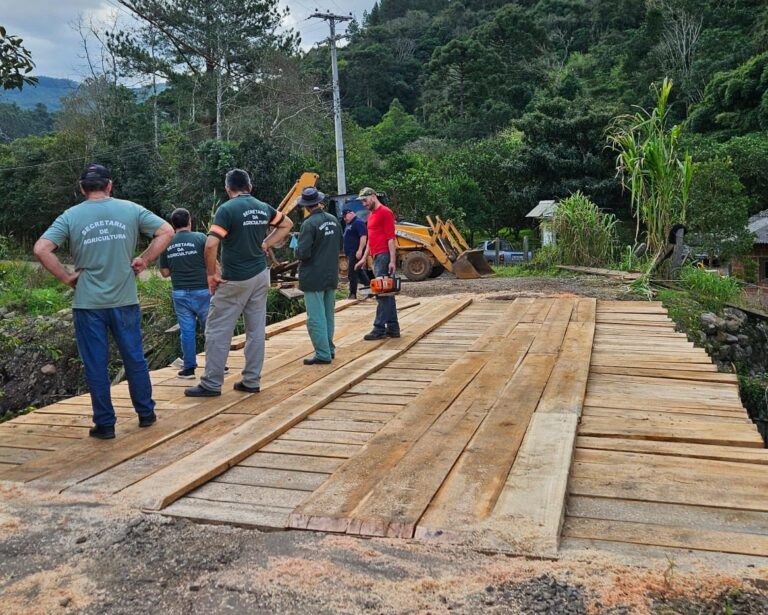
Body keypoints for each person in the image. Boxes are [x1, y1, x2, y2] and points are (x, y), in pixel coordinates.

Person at [33, 163, 173, 439]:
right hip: (125, 300)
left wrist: (66, 277)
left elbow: (41, 249)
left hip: (88, 304)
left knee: (96, 364)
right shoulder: (131, 209)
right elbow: (166, 231)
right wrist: (144, 259)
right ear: (109, 185)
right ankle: (146, 414)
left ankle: (105, 424)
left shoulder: (71, 216)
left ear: (82, 188)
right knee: (134, 358)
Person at [184, 168, 293, 397]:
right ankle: (251, 380)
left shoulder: (227, 210)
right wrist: (265, 243)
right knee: (255, 330)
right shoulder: (263, 207)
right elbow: (287, 224)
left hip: (235, 279)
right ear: (250, 187)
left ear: (228, 188)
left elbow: (211, 245)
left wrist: (211, 274)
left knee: (217, 330)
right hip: (261, 276)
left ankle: (211, 383)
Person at [159, 208, 210, 379]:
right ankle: (217, 365)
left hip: (180, 292)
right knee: (209, 329)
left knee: (187, 331)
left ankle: (189, 368)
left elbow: (165, 273)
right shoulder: (201, 238)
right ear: (190, 221)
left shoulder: (167, 242)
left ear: (173, 225)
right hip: (203, 291)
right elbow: (212, 261)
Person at [295, 187, 342, 364]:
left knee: (315, 317)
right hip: (331, 273)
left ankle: (322, 354)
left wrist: (296, 249)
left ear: (306, 206)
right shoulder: (333, 220)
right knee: (328, 314)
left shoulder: (308, 224)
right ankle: (329, 348)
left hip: (313, 276)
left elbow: (303, 253)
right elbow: (339, 244)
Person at [355, 187, 399, 340]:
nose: (363, 203)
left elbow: (390, 238)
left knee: (381, 293)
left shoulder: (385, 212)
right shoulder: (371, 215)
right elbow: (370, 240)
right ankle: (393, 328)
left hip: (384, 256)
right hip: (376, 256)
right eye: (362, 201)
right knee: (388, 292)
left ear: (373, 196)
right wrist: (363, 259)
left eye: (365, 200)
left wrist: (392, 260)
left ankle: (379, 328)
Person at [342, 208, 369, 299]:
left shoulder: (358, 222)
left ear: (350, 213)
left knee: (352, 273)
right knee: (359, 271)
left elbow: (363, 236)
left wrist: (360, 250)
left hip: (355, 251)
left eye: (345, 216)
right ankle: (370, 288)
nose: (344, 219)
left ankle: (352, 294)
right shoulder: (350, 223)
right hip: (351, 252)